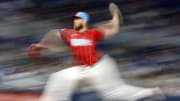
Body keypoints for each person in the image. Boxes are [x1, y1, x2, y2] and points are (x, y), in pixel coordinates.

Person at [28, 3, 172, 101]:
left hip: (99, 66)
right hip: (82, 69)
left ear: (85, 22)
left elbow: (114, 29)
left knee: (112, 93)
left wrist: (115, 16)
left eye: (80, 19)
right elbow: (53, 35)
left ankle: (154, 92)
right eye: (76, 19)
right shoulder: (68, 33)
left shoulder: (93, 33)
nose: (77, 22)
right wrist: (40, 46)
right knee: (59, 77)